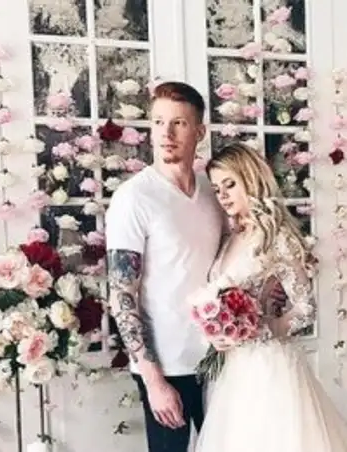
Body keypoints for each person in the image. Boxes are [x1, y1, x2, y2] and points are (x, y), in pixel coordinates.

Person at [193, 142, 347, 452]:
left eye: (230, 184)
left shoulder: (277, 237)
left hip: (268, 364)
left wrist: (262, 327)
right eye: (217, 189)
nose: (223, 196)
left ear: (251, 179)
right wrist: (219, 332)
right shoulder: (232, 237)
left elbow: (305, 308)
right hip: (233, 368)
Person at [104, 81, 225, 451]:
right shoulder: (134, 198)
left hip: (218, 359)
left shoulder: (213, 192)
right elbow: (122, 293)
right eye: (158, 122)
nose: (166, 134)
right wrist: (153, 379)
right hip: (167, 366)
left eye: (179, 123)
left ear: (199, 132)